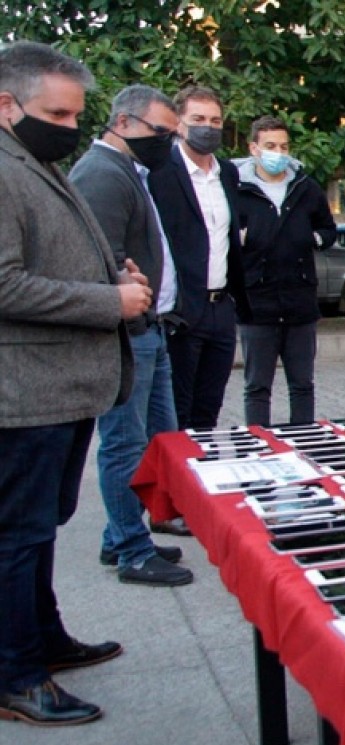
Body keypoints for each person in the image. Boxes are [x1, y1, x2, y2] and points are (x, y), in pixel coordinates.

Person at [0, 41, 144, 725]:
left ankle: (42, 638)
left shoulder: (34, 164)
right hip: (24, 392)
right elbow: (4, 283)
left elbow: (61, 256)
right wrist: (105, 304)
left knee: (40, 528)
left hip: (59, 390)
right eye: (56, 112)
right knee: (18, 534)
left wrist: (116, 279)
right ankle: (16, 675)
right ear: (6, 105)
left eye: (76, 113)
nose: (69, 126)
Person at [69, 84, 194, 587]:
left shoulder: (128, 170)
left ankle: (121, 534)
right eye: (159, 132)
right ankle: (130, 548)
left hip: (149, 329)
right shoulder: (102, 174)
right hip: (129, 333)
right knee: (125, 443)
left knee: (153, 441)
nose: (166, 142)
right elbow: (103, 264)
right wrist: (137, 319)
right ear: (122, 123)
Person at [149, 85, 244, 432]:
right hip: (181, 310)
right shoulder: (159, 173)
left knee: (209, 410)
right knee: (177, 414)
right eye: (199, 119)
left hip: (221, 308)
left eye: (216, 120)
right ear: (178, 124)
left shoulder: (228, 174)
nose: (208, 127)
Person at [233, 115, 336, 425]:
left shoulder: (306, 187)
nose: (278, 153)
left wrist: (312, 238)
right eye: (270, 146)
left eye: (284, 146)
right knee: (257, 387)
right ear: (254, 148)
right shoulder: (236, 187)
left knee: (302, 385)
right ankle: (259, 448)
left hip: (300, 302)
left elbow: (327, 229)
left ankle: (305, 446)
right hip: (256, 303)